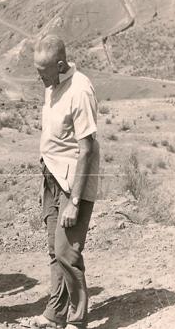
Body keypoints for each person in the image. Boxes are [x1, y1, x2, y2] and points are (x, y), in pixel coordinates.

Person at [28, 35, 100, 329]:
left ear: (60, 65)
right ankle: (55, 314)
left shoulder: (80, 90)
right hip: (52, 178)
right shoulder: (52, 84)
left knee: (67, 253)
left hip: (74, 184)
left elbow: (86, 150)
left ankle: (77, 318)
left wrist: (74, 202)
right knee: (53, 250)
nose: (38, 75)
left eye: (42, 70)